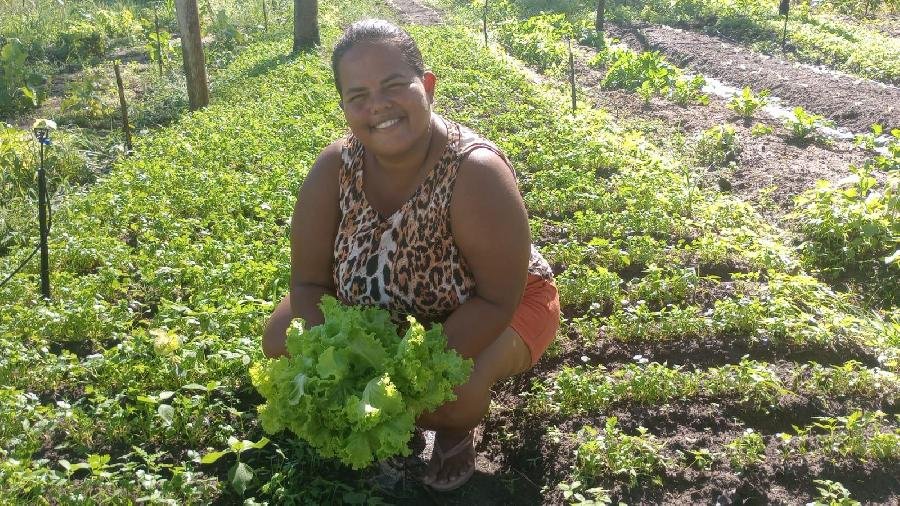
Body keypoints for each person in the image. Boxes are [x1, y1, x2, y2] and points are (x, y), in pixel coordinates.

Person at [262, 19, 560, 492]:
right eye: (357, 95)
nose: (377, 105)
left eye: (393, 85)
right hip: (388, 307)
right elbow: (307, 284)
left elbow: (497, 299)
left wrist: (396, 376)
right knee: (280, 339)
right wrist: (344, 364)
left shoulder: (474, 172)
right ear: (344, 107)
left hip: (499, 304)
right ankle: (393, 422)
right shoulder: (335, 166)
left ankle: (456, 430)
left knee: (450, 395)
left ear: (427, 86)